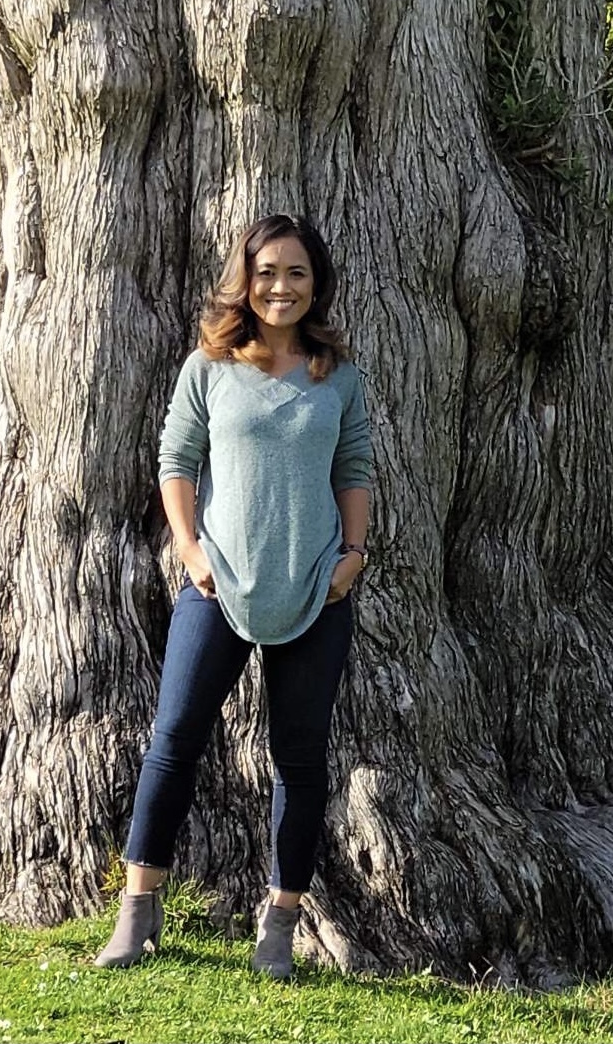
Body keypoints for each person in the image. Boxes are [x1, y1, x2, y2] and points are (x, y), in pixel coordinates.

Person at [95, 214, 373, 979]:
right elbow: (174, 461)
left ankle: (279, 926)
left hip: (317, 588)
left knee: (300, 759)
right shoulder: (209, 366)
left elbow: (354, 467)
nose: (279, 288)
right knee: (173, 741)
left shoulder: (335, 374)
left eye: (296, 275)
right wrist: (187, 548)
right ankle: (137, 910)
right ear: (244, 281)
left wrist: (351, 557)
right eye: (267, 272)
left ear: (314, 287)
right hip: (216, 584)